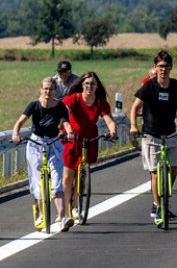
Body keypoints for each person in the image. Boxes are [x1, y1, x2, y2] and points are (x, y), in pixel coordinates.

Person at [130, 51, 177, 223]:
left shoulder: (175, 86)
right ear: (155, 68)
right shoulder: (149, 86)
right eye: (160, 66)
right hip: (151, 134)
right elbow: (134, 107)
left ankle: (164, 198)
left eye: (166, 66)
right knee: (155, 173)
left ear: (171, 68)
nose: (163, 70)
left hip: (170, 133)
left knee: (173, 169)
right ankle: (159, 205)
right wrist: (133, 126)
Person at [11, 77, 72, 231]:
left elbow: (65, 122)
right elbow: (20, 122)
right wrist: (15, 133)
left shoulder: (59, 106)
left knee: (57, 180)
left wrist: (70, 132)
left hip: (53, 143)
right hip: (36, 144)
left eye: (51, 89)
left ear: (55, 91)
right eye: (45, 88)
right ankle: (40, 214)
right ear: (41, 89)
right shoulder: (34, 105)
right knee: (37, 183)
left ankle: (63, 217)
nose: (48, 91)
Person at [61, 71, 118, 222]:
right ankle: (65, 212)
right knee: (68, 177)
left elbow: (109, 120)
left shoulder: (100, 102)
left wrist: (112, 131)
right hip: (72, 137)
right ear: (82, 85)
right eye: (86, 83)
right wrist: (65, 129)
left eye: (92, 84)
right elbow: (63, 114)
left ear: (97, 86)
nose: (89, 86)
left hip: (90, 138)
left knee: (82, 174)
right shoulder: (74, 98)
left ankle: (76, 207)